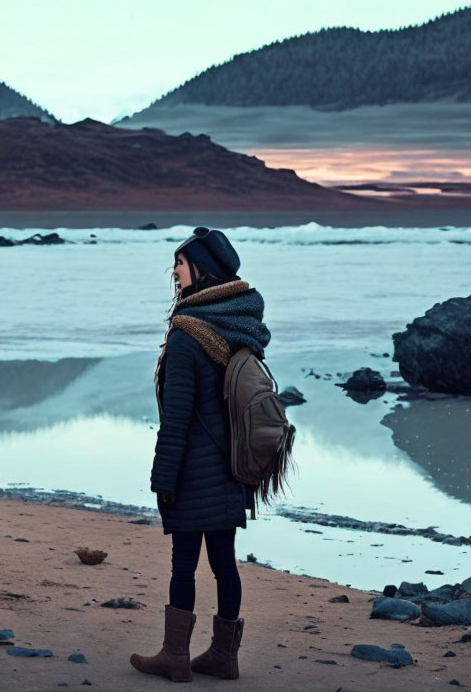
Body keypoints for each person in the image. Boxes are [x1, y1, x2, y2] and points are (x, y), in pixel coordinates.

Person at [130, 227, 271, 682]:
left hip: (194, 471)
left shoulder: (187, 336)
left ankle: (175, 657)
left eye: (179, 263)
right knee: (224, 563)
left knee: (183, 564)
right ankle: (224, 658)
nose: (174, 271)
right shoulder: (236, 328)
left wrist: (163, 479)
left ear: (200, 270)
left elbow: (177, 420)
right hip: (231, 468)